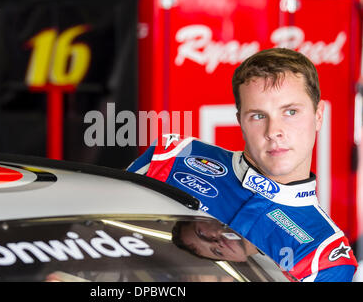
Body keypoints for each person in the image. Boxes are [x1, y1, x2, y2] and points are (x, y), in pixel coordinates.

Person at [127, 48, 358, 281]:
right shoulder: (173, 158)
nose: (274, 132)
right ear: (240, 121)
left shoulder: (324, 255)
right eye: (258, 116)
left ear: (318, 116)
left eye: (290, 112)